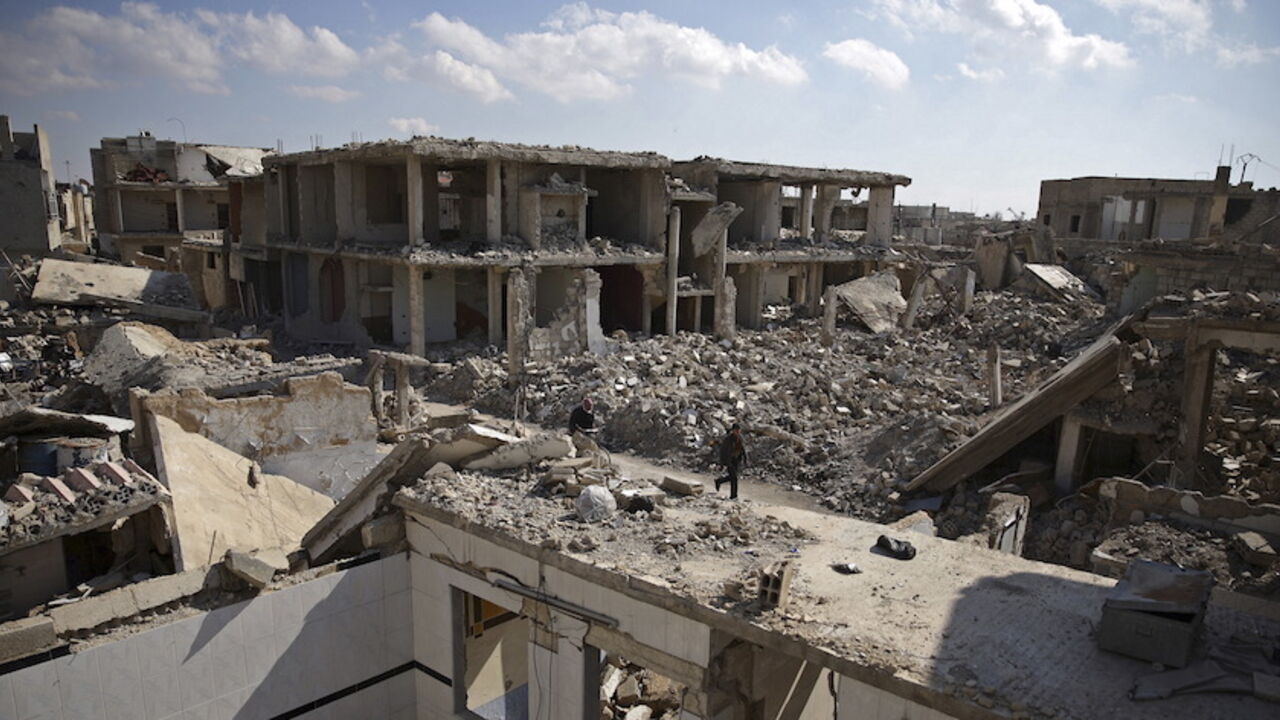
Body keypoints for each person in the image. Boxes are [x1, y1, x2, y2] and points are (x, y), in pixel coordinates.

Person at [715, 424, 748, 499]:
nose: (737, 432)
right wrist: (723, 463)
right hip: (729, 460)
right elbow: (723, 452)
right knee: (734, 478)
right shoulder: (728, 439)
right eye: (736, 430)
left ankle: (719, 481)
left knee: (732, 477)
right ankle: (733, 496)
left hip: (736, 460)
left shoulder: (740, 438)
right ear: (733, 430)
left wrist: (745, 459)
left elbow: (743, 449)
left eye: (738, 430)